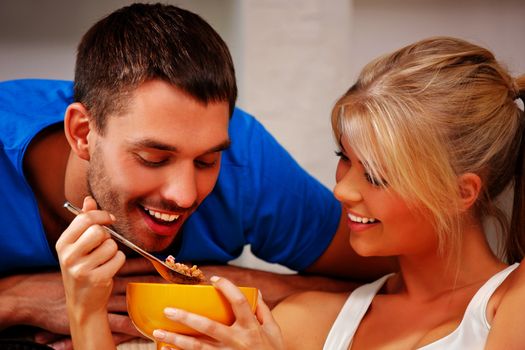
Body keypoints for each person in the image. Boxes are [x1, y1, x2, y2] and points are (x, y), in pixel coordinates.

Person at [91, 36, 525, 349]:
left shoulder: (514, 301)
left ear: (460, 193)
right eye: (345, 158)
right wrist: (85, 308)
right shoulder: (309, 317)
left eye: (375, 175)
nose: (341, 190)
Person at [0, 3, 391, 349]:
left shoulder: (244, 156)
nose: (185, 196)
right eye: (153, 158)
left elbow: (404, 275)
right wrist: (17, 299)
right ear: (83, 134)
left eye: (206, 162)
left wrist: (244, 288)